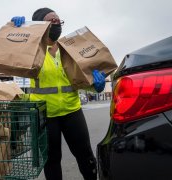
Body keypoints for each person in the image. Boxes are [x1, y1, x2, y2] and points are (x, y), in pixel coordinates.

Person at [11, 8, 106, 180]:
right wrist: (20, 30)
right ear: (40, 25)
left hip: (72, 111)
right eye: (51, 21)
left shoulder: (68, 49)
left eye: (58, 21)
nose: (56, 24)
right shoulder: (32, 50)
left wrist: (95, 87)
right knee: (52, 161)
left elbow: (80, 77)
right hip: (45, 116)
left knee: (85, 156)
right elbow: (12, 52)